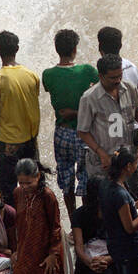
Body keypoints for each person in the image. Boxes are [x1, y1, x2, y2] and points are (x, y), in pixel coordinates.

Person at [0, 30, 41, 207]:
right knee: (34, 185)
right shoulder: (31, 74)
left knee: (9, 190)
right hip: (30, 139)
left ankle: (13, 229)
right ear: (17, 48)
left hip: (8, 143)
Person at [78, 53, 138, 188]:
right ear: (100, 76)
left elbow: (136, 111)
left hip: (126, 161)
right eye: (113, 78)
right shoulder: (89, 98)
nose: (118, 80)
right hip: (103, 163)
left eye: (120, 76)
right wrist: (101, 153)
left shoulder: (129, 88)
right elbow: (82, 132)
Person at [42, 29, 99, 209]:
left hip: (61, 133)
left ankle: (74, 222)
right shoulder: (88, 71)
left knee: (66, 180)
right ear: (75, 49)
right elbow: (98, 98)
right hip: (84, 133)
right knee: (85, 178)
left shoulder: (48, 75)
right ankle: (86, 223)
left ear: (56, 49)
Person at [97, 26, 138, 150]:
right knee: (131, 164)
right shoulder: (131, 67)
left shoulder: (102, 73)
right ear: (121, 45)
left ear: (99, 48)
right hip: (134, 128)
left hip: (114, 131)